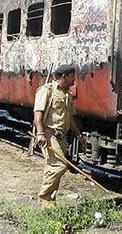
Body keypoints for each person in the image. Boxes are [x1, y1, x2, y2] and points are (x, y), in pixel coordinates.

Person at [33, 64, 86, 209]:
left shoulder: (67, 94)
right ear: (64, 76)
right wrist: (40, 133)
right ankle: (44, 197)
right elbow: (38, 114)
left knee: (51, 167)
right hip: (49, 135)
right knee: (59, 166)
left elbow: (70, 118)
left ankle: (49, 200)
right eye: (72, 77)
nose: (74, 80)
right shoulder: (46, 90)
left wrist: (79, 135)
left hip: (62, 136)